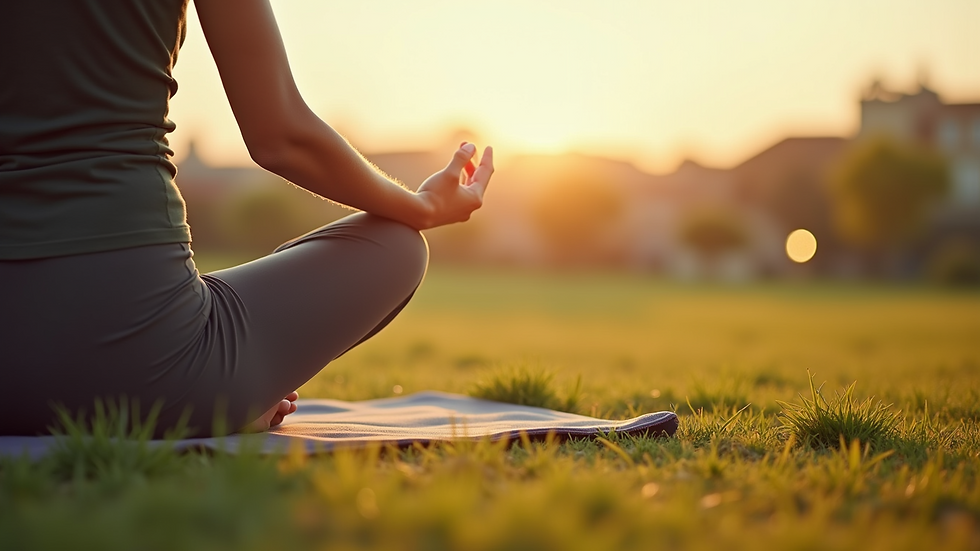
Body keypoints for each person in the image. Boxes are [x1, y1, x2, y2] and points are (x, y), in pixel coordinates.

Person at [0, 0, 493, 436]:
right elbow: (280, 136)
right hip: (155, 371)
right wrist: (423, 207)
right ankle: (225, 394)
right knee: (396, 246)